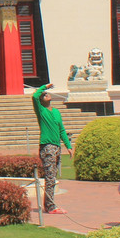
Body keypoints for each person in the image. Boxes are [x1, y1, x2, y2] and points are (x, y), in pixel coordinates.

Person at [32, 82, 72, 215]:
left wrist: (68, 146)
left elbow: (61, 130)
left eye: (47, 94)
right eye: (44, 95)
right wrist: (44, 87)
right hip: (47, 147)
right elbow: (34, 96)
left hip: (56, 147)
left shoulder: (56, 112)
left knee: (52, 177)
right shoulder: (41, 111)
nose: (46, 95)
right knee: (50, 177)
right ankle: (50, 206)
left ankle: (50, 204)